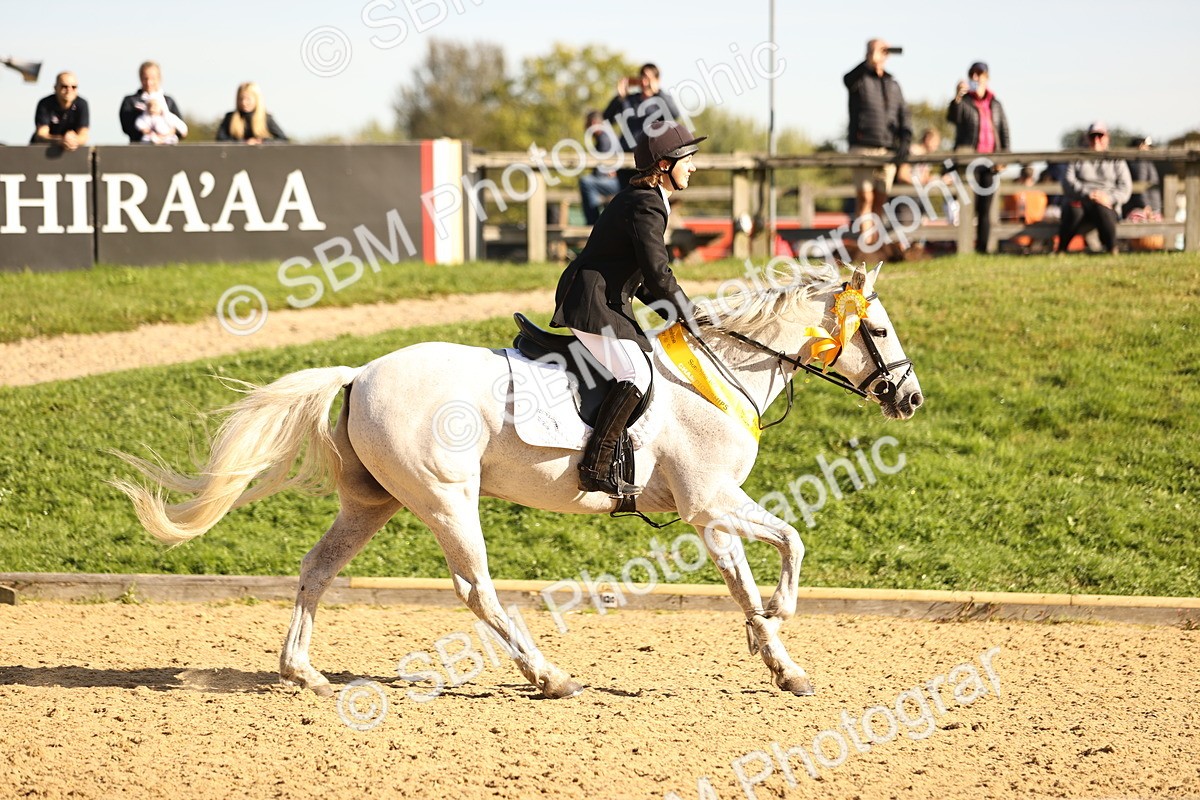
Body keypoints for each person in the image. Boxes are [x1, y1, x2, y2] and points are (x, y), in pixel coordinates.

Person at [550, 120, 704, 498]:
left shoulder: (644, 200)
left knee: (641, 363)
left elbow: (644, 281)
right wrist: (688, 313)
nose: (694, 166)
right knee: (635, 373)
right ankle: (595, 466)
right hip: (591, 301)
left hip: (606, 298)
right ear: (664, 165)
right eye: (688, 159)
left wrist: (677, 312)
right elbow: (658, 272)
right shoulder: (646, 205)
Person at [844, 39, 912, 246]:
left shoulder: (893, 83)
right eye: (876, 51)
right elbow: (847, 80)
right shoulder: (859, 79)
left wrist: (905, 139)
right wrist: (867, 62)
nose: (879, 55)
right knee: (865, 198)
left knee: (880, 200)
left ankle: (874, 243)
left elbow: (903, 114)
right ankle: (867, 245)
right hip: (862, 147)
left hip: (886, 150)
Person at [947, 62, 1010, 253]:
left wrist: (1004, 158)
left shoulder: (995, 104)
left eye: (980, 74)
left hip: (990, 164)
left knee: (986, 208)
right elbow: (952, 118)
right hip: (969, 162)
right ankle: (965, 249)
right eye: (972, 74)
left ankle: (983, 249)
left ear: (987, 77)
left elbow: (1004, 132)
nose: (976, 77)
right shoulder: (965, 102)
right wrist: (957, 96)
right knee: (967, 206)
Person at [1055, 122, 1131, 255]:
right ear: (1087, 138)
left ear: (1107, 138)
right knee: (1073, 209)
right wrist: (1087, 194)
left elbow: (1125, 188)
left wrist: (1108, 198)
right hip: (1081, 201)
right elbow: (1067, 181)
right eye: (1092, 136)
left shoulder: (1116, 160)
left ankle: (1112, 248)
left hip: (1106, 204)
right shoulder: (1076, 158)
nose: (1096, 140)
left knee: (1102, 208)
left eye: (1100, 136)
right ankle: (1061, 249)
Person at [603, 64, 683, 190]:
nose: (645, 82)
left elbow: (674, 114)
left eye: (648, 78)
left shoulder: (661, 100)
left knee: (647, 197)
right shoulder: (629, 100)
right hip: (627, 157)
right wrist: (619, 97)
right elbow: (607, 118)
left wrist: (658, 92)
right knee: (626, 197)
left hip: (651, 159)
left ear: (657, 80)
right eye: (642, 78)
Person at [119, 61, 186, 143]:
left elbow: (180, 127)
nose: (149, 82)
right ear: (140, 78)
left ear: (159, 78)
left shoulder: (169, 101)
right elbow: (127, 127)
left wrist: (165, 135)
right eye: (145, 78)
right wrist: (149, 134)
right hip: (140, 150)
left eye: (152, 78)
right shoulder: (130, 101)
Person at [578, 110, 620, 225]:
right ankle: (597, 222)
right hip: (616, 181)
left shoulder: (604, 139)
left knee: (586, 182)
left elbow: (602, 171)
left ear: (594, 123)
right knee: (589, 182)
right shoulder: (607, 136)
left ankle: (594, 224)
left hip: (617, 183)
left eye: (587, 125)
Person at [31, 71, 89, 150]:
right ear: (55, 88)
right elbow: (41, 134)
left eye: (74, 87)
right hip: (44, 150)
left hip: (71, 151)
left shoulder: (82, 104)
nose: (69, 90)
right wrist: (60, 141)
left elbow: (84, 135)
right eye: (64, 86)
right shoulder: (45, 104)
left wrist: (72, 141)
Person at [216, 82, 288, 144]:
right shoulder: (230, 117)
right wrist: (243, 143)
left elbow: (282, 139)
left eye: (248, 99)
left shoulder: (266, 118)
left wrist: (262, 142)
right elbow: (220, 140)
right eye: (241, 99)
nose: (244, 103)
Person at [1124, 136, 1161, 219]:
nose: (1149, 149)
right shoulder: (1140, 162)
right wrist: (1146, 205)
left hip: (1150, 207)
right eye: (1147, 146)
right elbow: (1141, 184)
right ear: (1141, 146)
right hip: (1146, 209)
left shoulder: (1144, 162)